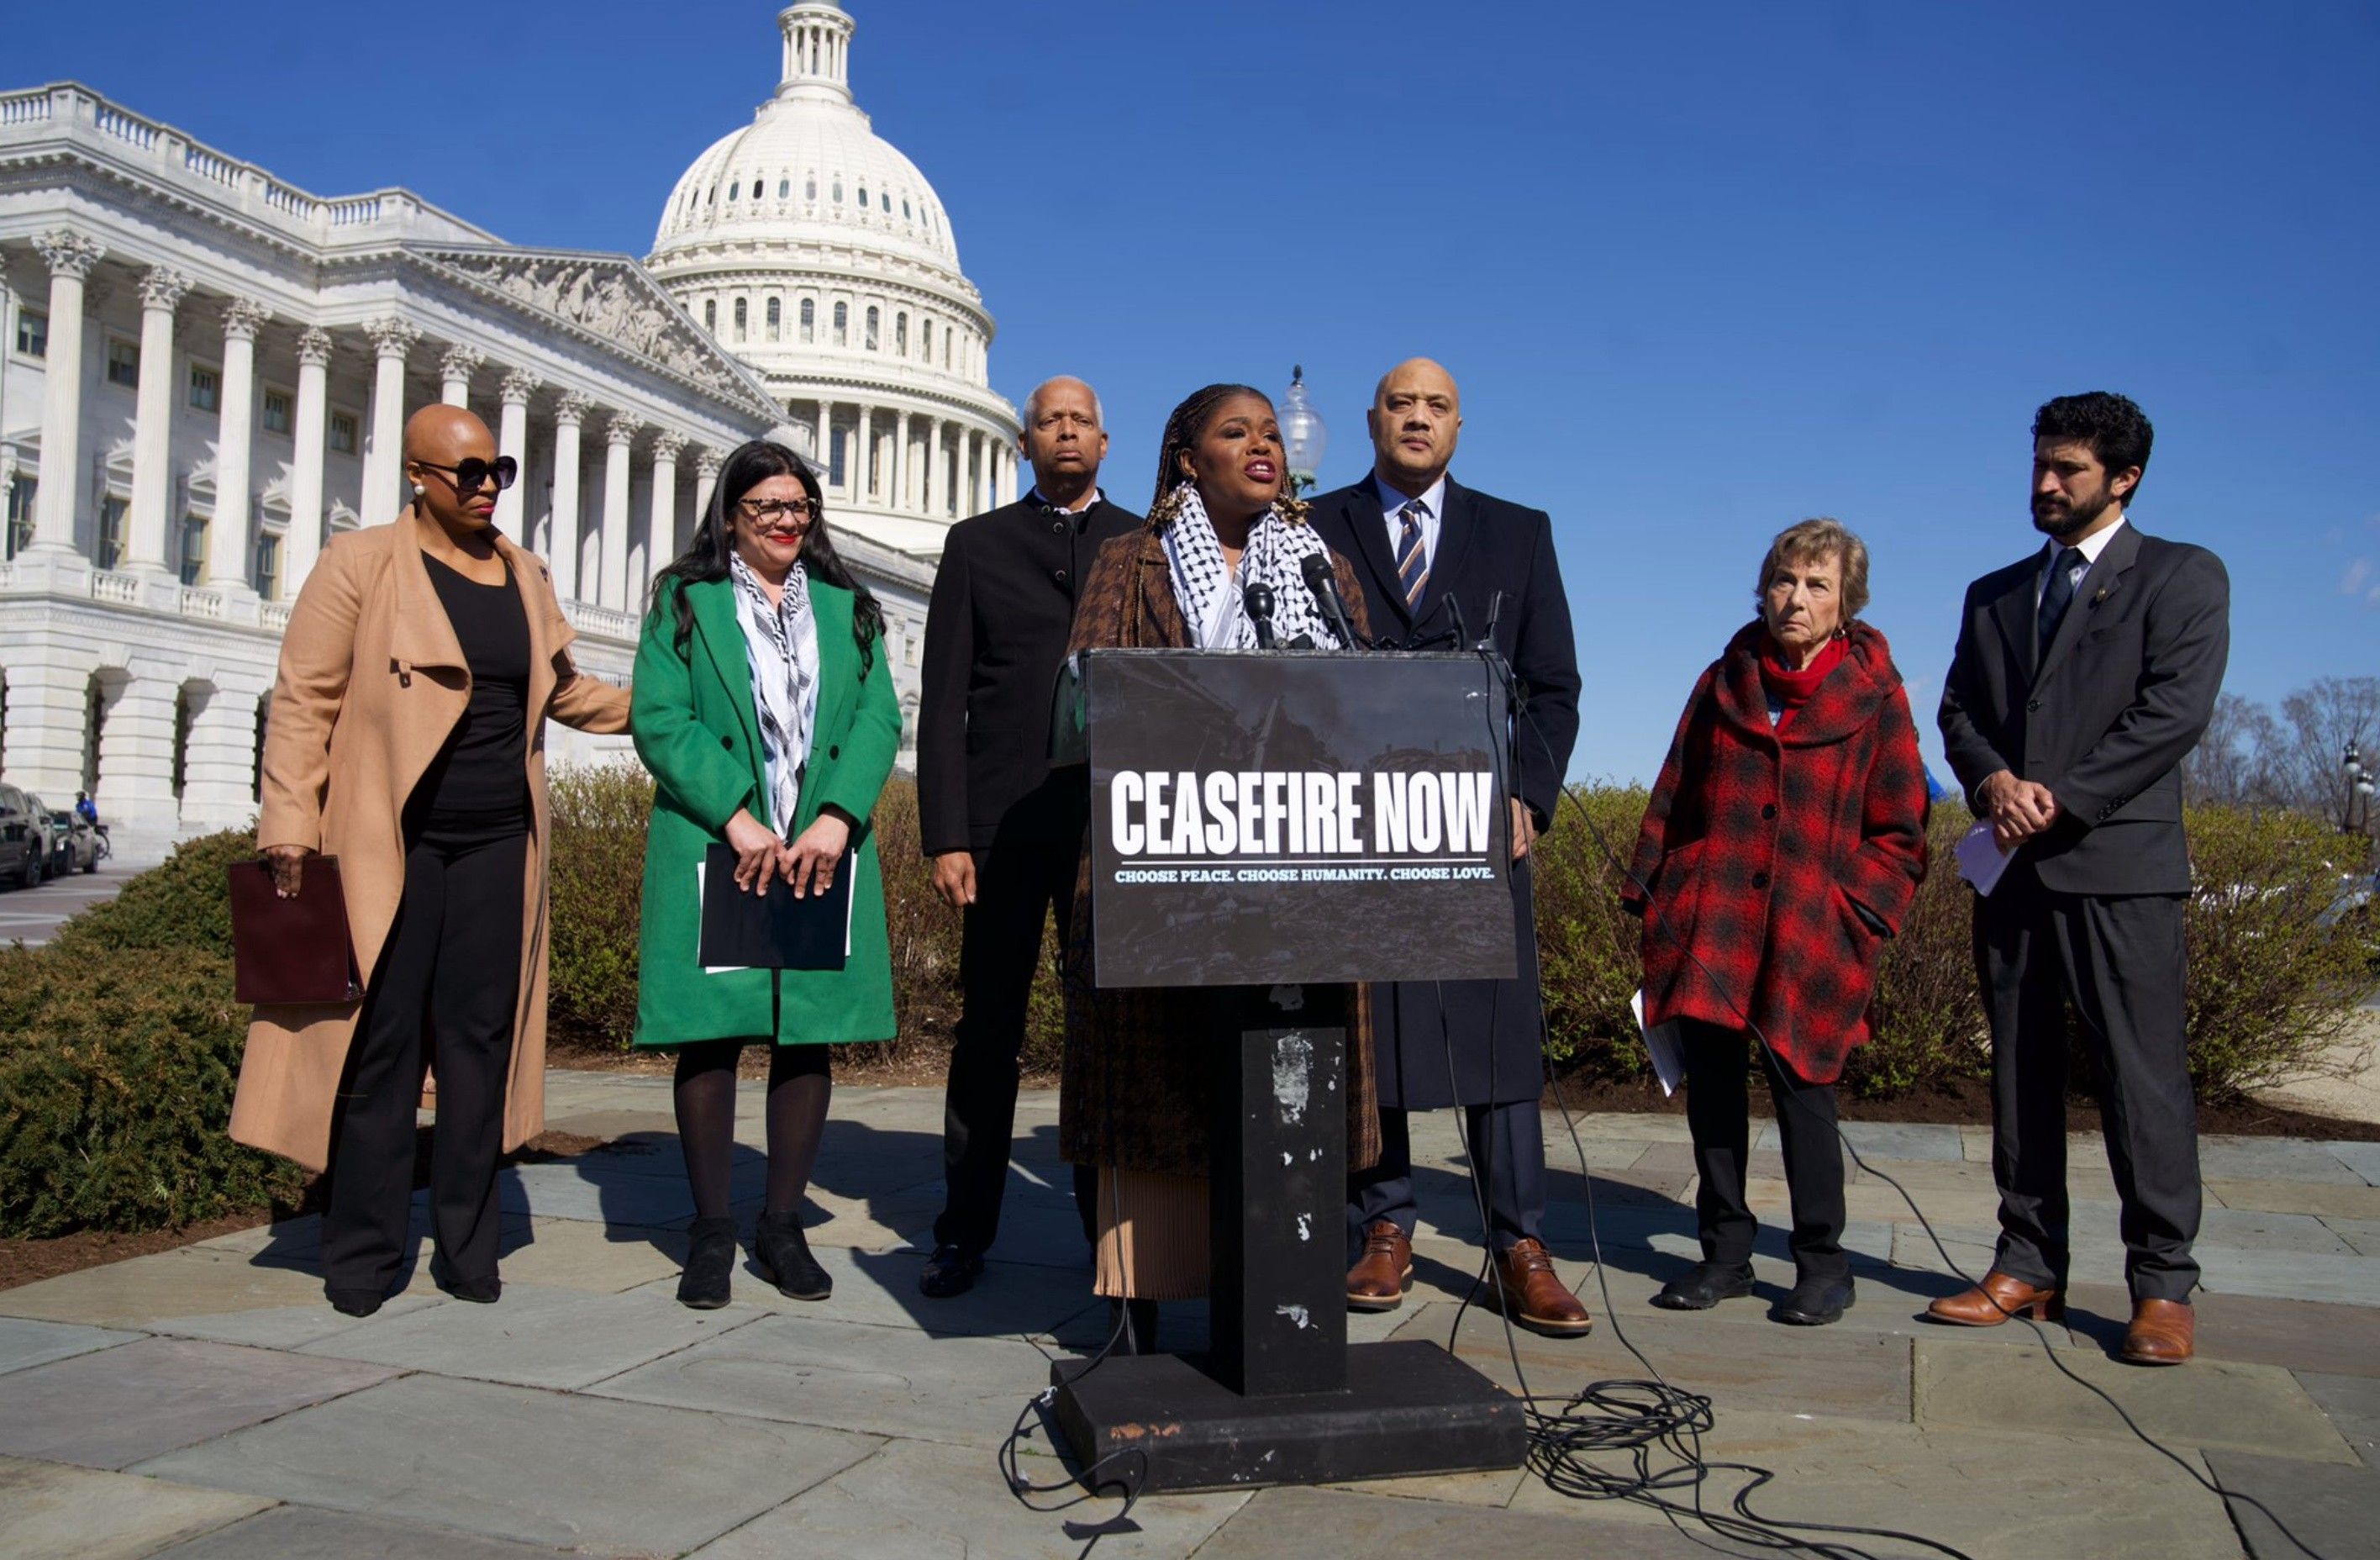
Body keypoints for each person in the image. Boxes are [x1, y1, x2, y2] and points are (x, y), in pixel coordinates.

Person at [231, 404, 630, 1315]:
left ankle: (467, 1243)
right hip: (390, 836)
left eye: (500, 471)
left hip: (497, 839)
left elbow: (564, 689)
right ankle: (365, 1249)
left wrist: (663, 711)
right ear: (418, 474)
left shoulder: (524, 572)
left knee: (478, 1044)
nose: (488, 487)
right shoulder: (360, 563)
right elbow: (303, 697)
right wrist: (288, 819)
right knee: (382, 1043)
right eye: (469, 472)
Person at [1061, 382, 1375, 1348]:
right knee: (1159, 1083)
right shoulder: (1133, 557)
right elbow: (1085, 695)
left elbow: (1366, 703)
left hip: (1298, 873)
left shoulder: (1323, 564)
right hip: (1161, 862)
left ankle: (1278, 1304)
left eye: (1272, 433)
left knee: (1279, 1078)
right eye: (1236, 433)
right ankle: (1137, 1313)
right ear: (1189, 460)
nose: (1263, 445)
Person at [1935, 393, 2229, 1365]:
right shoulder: (1994, 592)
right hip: (2014, 871)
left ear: (2125, 477)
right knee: (2020, 1074)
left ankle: (2162, 1285)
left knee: (2142, 1081)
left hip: (2121, 869)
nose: (2046, 483)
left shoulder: (2182, 576)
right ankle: (2027, 1263)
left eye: (2069, 469)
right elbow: (1959, 708)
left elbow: (2172, 713)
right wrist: (1992, 781)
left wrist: (2061, 796)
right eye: (2041, 464)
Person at [1307, 359, 1590, 1337]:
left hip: (1475, 823)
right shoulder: (1313, 527)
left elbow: (1555, 684)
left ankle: (1519, 1242)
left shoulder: (1519, 532)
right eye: (1400, 403)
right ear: (1372, 420)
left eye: (1436, 406)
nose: (1417, 418)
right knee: (1370, 1031)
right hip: (1354, 825)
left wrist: (1532, 797)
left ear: (1460, 427)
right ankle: (1382, 1228)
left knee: (1496, 1038)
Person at [1625, 520, 1930, 1325]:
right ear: (1764, 589)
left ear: (1846, 604)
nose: (1797, 598)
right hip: (1715, 910)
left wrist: (1858, 912)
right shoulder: (1722, 680)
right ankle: (1724, 1255)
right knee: (1714, 1093)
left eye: (1817, 585)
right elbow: (1673, 789)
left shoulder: (1877, 694)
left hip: (1811, 926)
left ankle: (1822, 1264)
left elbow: (1901, 828)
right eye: (1785, 580)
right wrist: (1651, 893)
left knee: (1805, 1091)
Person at [631, 439, 902, 1310]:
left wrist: (836, 818)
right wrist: (739, 816)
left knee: (805, 1032)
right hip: (727, 844)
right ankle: (711, 1228)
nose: (785, 521)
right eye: (766, 508)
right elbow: (659, 719)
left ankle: (781, 1223)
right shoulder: (686, 599)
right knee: (712, 1032)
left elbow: (876, 718)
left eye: (797, 507)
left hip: (819, 847)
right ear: (731, 516)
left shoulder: (847, 607)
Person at [914, 377, 1140, 1299]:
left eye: (1081, 419)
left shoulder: (1145, 545)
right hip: (1003, 827)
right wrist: (945, 832)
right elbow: (944, 701)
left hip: (1113, 832)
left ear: (1105, 438)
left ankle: (1114, 1237)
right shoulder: (977, 547)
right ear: (1026, 440)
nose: (1066, 432)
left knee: (1110, 1033)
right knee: (988, 1032)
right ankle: (963, 1228)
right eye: (1050, 420)